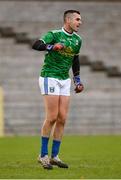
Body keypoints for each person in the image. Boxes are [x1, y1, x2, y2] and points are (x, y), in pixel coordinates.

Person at [32, 9, 84, 170]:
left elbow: (75, 60)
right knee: (52, 117)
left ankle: (54, 156)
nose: (80, 22)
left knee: (62, 119)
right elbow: (36, 45)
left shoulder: (77, 40)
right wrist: (52, 46)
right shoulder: (53, 34)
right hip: (50, 76)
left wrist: (77, 80)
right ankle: (42, 155)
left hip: (64, 79)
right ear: (68, 20)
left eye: (80, 20)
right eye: (77, 19)